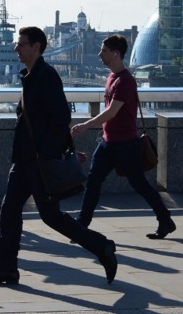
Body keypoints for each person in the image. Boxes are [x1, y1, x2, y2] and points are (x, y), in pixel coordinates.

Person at [0, 27, 117, 286]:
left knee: (50, 217)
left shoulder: (46, 76)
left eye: (21, 44)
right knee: (8, 214)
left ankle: (102, 246)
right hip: (24, 160)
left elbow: (60, 117)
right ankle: (7, 270)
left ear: (36, 47)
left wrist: (54, 153)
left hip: (38, 161)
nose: (17, 48)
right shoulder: (29, 75)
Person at [71, 35, 176, 239]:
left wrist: (86, 125)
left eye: (103, 50)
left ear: (115, 54)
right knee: (93, 181)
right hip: (108, 142)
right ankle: (81, 226)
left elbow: (112, 112)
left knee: (140, 184)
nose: (100, 54)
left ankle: (165, 220)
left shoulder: (125, 81)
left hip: (126, 144)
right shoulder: (111, 77)